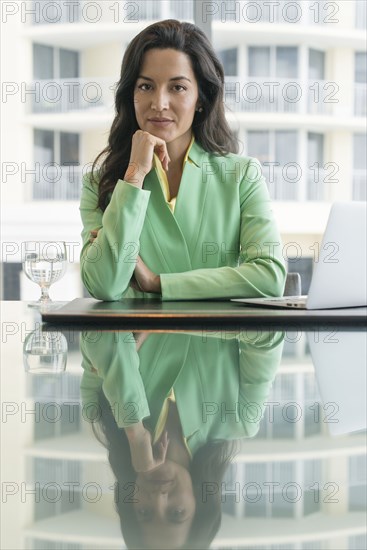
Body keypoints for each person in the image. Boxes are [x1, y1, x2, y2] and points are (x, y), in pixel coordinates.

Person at [79, 19, 286, 301]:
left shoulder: (241, 176)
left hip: (216, 343)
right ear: (131, 94)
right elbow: (105, 285)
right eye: (145, 86)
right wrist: (135, 175)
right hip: (134, 343)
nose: (159, 103)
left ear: (201, 98)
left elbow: (270, 276)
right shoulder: (100, 182)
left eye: (177, 88)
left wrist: (158, 282)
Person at [80, 329, 284, 548]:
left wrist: (134, 429)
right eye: (177, 513)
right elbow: (267, 335)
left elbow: (96, 331)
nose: (159, 497)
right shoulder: (241, 419)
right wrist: (168, 320)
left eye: (144, 512)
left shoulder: (98, 409)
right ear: (200, 505)